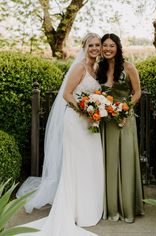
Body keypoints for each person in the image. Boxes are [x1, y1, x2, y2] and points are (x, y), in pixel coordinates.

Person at [18, 32, 104, 236]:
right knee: (75, 164)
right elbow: (67, 94)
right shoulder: (79, 67)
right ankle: (73, 209)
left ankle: (89, 207)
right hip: (75, 121)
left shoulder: (97, 68)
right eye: (91, 45)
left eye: (97, 45)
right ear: (84, 47)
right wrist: (85, 110)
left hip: (91, 123)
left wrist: (96, 110)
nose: (94, 48)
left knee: (89, 163)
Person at [97, 33, 144, 223]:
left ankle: (127, 207)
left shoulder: (128, 67)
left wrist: (125, 110)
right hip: (106, 121)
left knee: (125, 160)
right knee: (108, 162)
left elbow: (137, 91)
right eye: (105, 46)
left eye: (111, 46)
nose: (108, 49)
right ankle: (110, 207)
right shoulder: (98, 69)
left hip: (124, 119)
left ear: (117, 47)